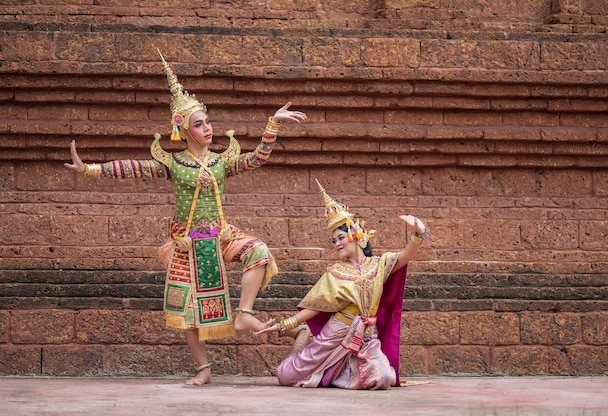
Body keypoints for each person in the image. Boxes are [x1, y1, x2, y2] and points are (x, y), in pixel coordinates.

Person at [64, 50, 307, 385]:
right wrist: (90, 169)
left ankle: (245, 313)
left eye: (208, 121)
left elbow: (257, 159)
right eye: (199, 124)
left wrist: (273, 124)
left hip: (221, 235)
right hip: (188, 244)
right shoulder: (174, 164)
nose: (207, 128)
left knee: (259, 252)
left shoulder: (222, 161)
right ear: (183, 129)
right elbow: (133, 169)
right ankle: (203, 368)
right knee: (189, 313)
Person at [255, 179, 429, 390]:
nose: (336, 244)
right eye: (333, 241)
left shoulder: (378, 265)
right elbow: (312, 309)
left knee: (384, 377)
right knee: (285, 376)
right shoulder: (334, 273)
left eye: (340, 238)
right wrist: (282, 326)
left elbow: (404, 257)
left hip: (365, 334)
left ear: (357, 237)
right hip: (336, 332)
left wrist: (419, 233)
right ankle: (302, 338)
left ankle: (338, 374)